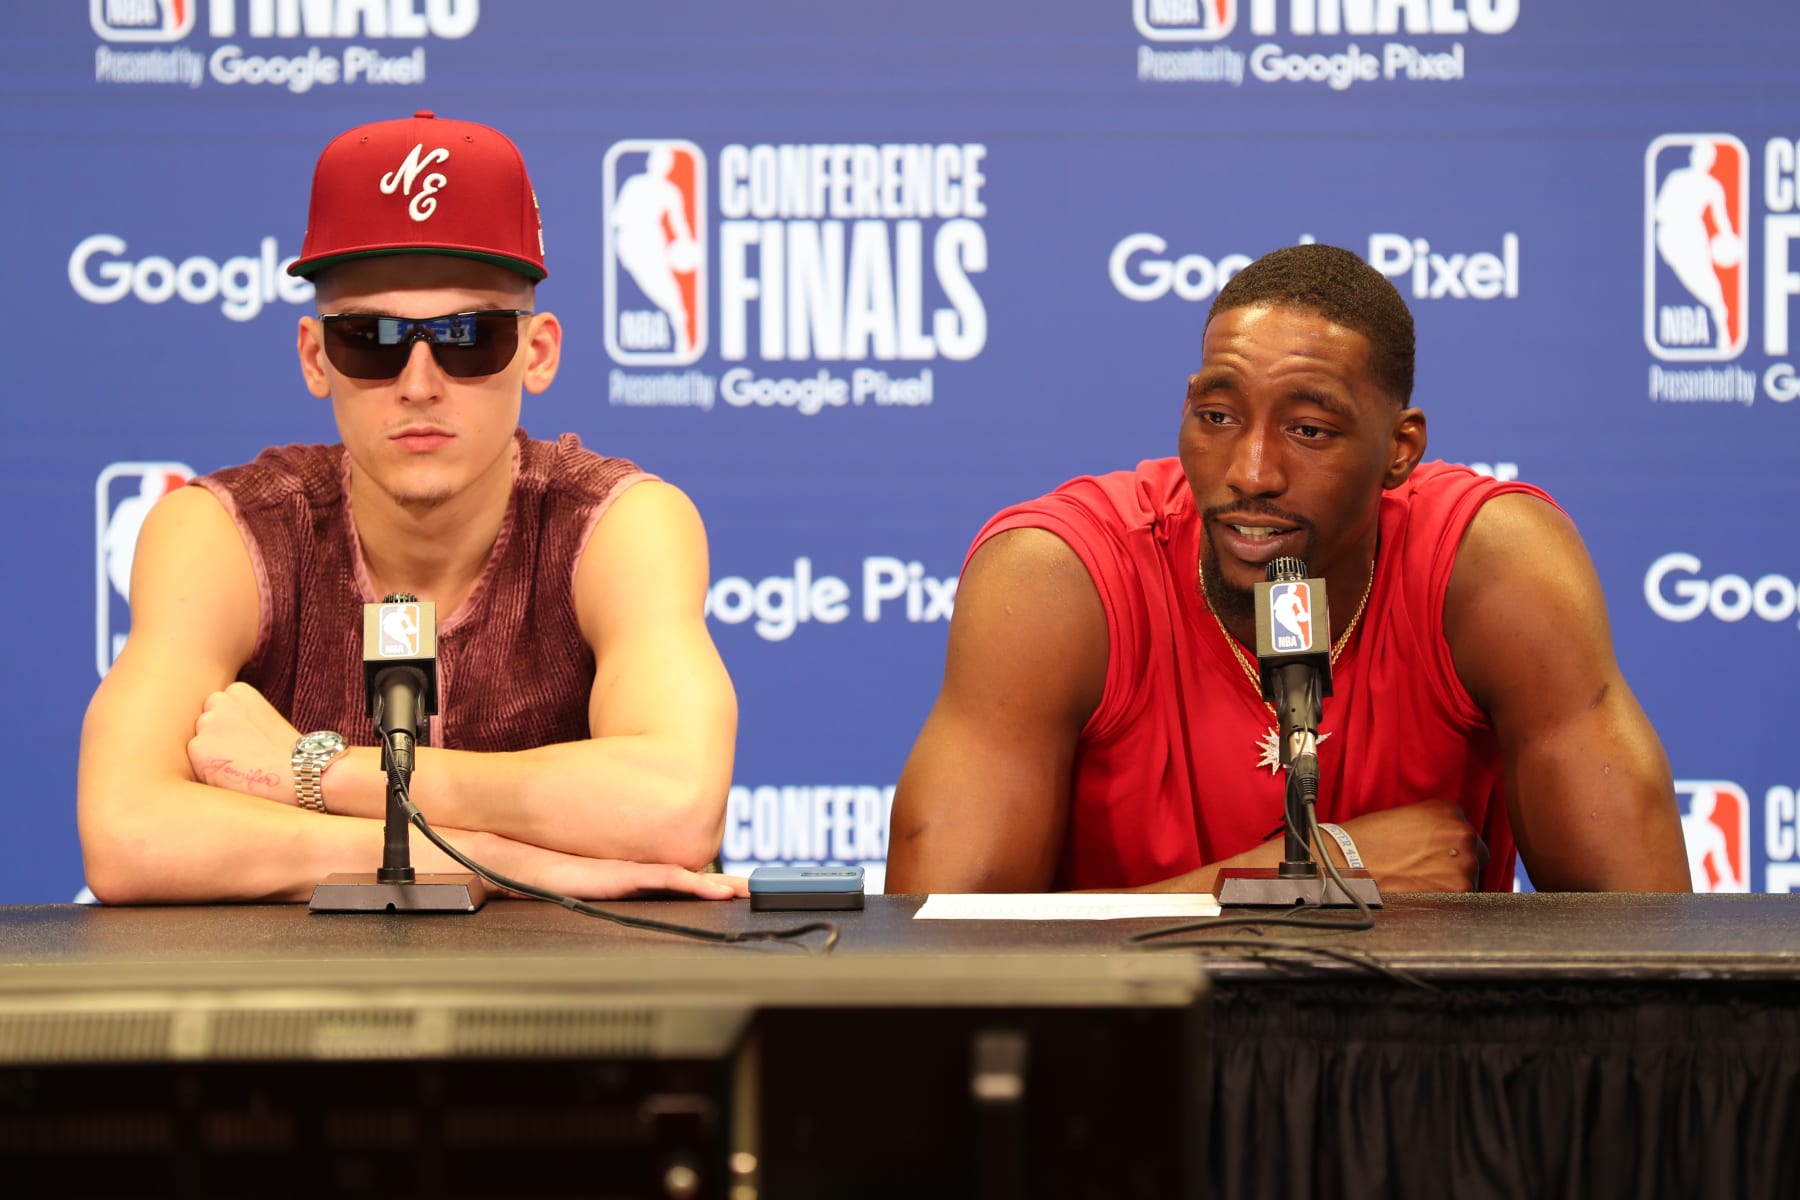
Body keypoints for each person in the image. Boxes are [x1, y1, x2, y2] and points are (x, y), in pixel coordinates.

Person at [77, 111, 740, 904]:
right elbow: (128, 834)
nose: (420, 382)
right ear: (316, 358)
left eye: (468, 336)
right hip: (302, 1020)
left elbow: (674, 806)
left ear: (538, 353)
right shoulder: (225, 532)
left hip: (572, 1014)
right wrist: (502, 862)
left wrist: (315, 772)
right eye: (373, 337)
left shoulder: (615, 524)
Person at [887, 242, 1690, 895]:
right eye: (1217, 416)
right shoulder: (1059, 579)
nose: (1251, 471)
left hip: (1427, 1077)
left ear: (1400, 450)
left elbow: (1648, 956)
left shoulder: (1492, 567)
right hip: (1130, 1074)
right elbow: (942, 955)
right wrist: (1303, 877)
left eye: (1308, 430)